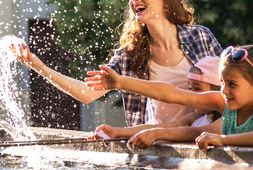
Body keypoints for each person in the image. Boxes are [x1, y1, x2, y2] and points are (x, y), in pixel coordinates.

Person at [10, 0, 222, 126]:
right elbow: (87, 94)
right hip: (156, 147)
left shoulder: (200, 37)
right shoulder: (131, 53)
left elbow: (229, 87)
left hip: (201, 141)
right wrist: (41, 68)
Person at [86, 35, 253, 150]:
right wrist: (120, 82)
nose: (225, 90)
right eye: (221, 82)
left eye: (232, 84)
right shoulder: (223, 103)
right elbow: (172, 93)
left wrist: (222, 139)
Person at [88, 56, 223, 149]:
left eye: (197, 89)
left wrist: (156, 134)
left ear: (217, 90)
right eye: (190, 88)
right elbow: (168, 126)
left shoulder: (227, 116)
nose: (192, 94)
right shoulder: (197, 117)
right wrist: (117, 132)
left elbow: (195, 132)